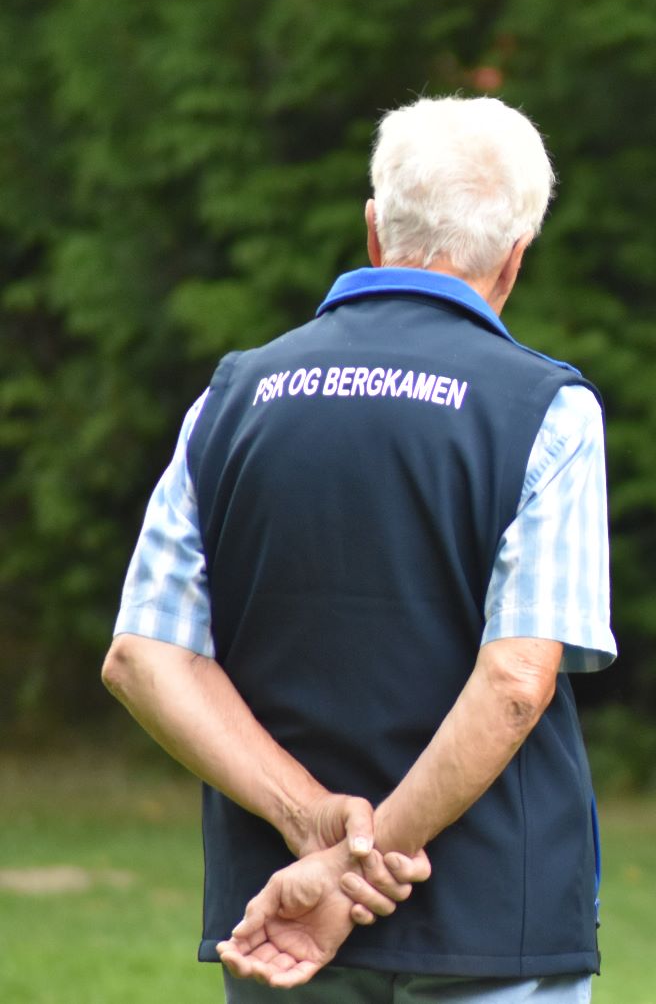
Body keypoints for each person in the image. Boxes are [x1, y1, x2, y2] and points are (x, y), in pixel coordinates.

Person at [102, 95, 615, 1003]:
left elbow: (144, 656)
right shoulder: (546, 412)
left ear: (374, 229)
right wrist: (367, 862)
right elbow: (513, 683)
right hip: (493, 923)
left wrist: (315, 834)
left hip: (275, 918)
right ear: (516, 255)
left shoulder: (229, 400)